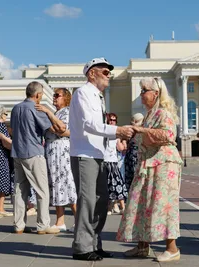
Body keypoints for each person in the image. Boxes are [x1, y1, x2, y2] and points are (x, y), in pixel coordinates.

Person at [69, 57, 134, 261]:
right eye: (105, 72)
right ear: (92, 73)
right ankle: (82, 247)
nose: (109, 76)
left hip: (98, 154)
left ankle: (94, 243)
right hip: (84, 154)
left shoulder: (98, 96)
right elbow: (89, 124)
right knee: (87, 201)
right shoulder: (82, 93)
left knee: (102, 200)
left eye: (109, 72)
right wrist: (117, 130)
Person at [117, 77, 183, 262]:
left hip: (164, 163)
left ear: (156, 93)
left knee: (163, 205)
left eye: (144, 90)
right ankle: (142, 245)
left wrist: (141, 131)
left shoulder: (163, 113)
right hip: (148, 163)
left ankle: (172, 248)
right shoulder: (149, 115)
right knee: (140, 204)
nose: (141, 94)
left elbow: (168, 135)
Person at [11, 81, 66, 235]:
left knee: (20, 189)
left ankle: (19, 225)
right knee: (42, 190)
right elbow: (56, 129)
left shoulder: (16, 108)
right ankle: (43, 225)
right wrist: (48, 113)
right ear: (37, 95)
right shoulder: (36, 108)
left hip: (17, 152)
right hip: (33, 152)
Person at [36, 88, 77, 232]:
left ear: (65, 97)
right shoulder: (57, 113)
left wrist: (47, 114)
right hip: (53, 150)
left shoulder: (68, 111)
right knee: (56, 184)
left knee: (68, 183)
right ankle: (60, 221)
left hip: (62, 150)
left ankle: (78, 220)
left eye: (57, 95)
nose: (54, 98)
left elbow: (62, 129)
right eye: (53, 95)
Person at [104, 113, 128, 215]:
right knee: (107, 186)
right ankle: (110, 207)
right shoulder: (103, 131)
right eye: (110, 120)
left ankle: (122, 207)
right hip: (104, 161)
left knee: (118, 184)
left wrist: (123, 141)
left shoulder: (116, 133)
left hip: (113, 161)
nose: (112, 122)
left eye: (114, 120)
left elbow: (121, 148)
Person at [124, 113, 144, 191]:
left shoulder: (134, 130)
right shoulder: (134, 131)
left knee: (133, 178)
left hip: (133, 156)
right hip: (135, 157)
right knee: (135, 178)